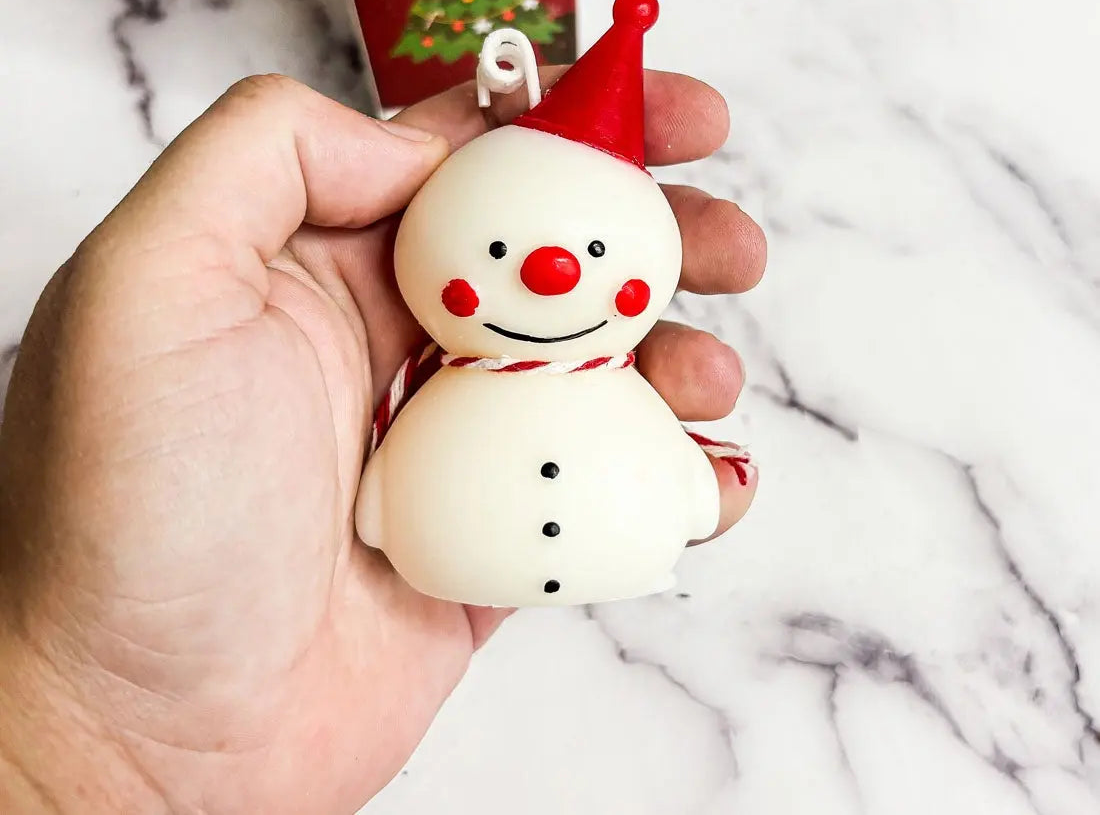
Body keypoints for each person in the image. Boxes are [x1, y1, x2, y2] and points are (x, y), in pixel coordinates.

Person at [0, 69, 766, 813]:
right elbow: (386, 494)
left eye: (596, 255)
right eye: (496, 254)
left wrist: (690, 492)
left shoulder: (599, 387)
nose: (551, 273)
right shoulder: (442, 387)